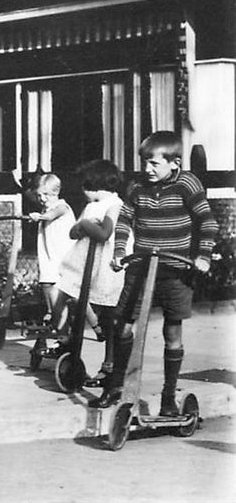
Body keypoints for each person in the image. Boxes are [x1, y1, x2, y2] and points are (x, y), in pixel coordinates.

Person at [89, 131, 218, 413]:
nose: (147, 169)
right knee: (122, 326)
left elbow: (207, 221)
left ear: (174, 163)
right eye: (144, 162)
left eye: (153, 164)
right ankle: (116, 386)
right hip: (141, 267)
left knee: (172, 332)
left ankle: (169, 397)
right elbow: (124, 219)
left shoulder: (187, 184)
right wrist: (120, 251)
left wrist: (203, 257)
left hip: (175, 270)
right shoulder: (137, 188)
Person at [52, 160, 125, 387]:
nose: (82, 192)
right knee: (69, 296)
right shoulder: (91, 206)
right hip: (85, 264)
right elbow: (74, 232)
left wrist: (85, 225)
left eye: (85, 186)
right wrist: (82, 225)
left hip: (106, 265)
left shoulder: (115, 204)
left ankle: (109, 364)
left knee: (109, 313)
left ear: (96, 184)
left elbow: (104, 233)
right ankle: (71, 343)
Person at [28, 173, 74, 330]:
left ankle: (63, 324)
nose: (42, 198)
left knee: (61, 290)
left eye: (46, 194)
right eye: (39, 195)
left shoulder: (62, 206)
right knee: (46, 283)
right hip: (49, 255)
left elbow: (50, 216)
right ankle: (52, 313)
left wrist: (39, 217)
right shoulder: (46, 206)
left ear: (56, 192)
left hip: (63, 255)